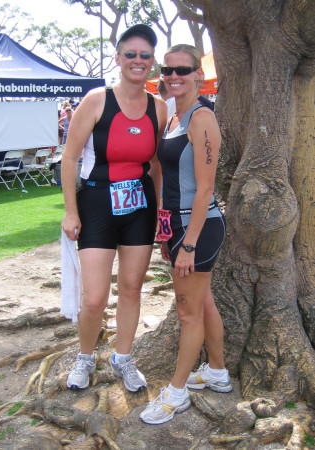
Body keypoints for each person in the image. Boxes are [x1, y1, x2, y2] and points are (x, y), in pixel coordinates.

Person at [61, 24, 167, 392]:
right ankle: (85, 358)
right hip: (96, 204)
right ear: (119, 58)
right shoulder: (96, 100)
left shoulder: (159, 107)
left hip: (140, 206)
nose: (138, 61)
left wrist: (160, 211)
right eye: (131, 54)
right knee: (94, 298)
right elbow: (70, 158)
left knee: (133, 287)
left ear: (152, 63)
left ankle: (123, 358)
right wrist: (70, 211)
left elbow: (155, 165)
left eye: (145, 56)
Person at [140, 44, 232, 425]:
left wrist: (188, 244)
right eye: (168, 69)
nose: (174, 75)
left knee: (187, 312)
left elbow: (206, 189)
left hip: (200, 227)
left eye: (182, 69)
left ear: (197, 73)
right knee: (203, 301)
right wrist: (166, 234)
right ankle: (217, 371)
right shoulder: (174, 118)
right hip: (177, 225)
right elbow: (168, 179)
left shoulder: (201, 119)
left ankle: (175, 393)